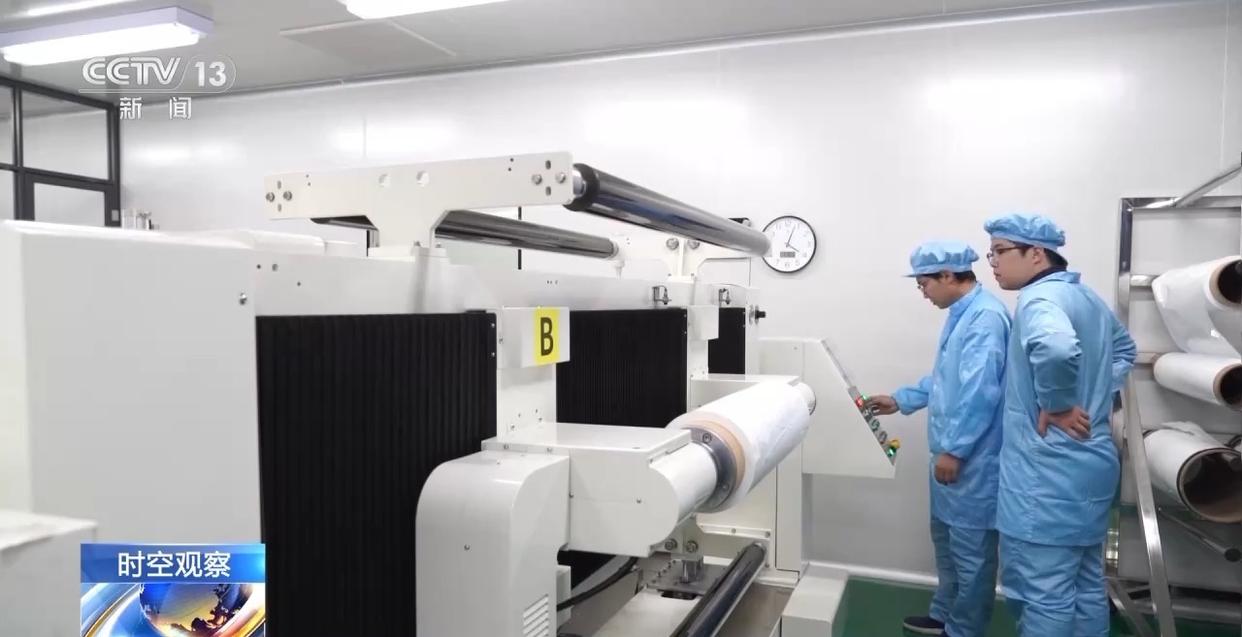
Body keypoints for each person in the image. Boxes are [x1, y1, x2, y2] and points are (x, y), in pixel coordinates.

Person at [983, 213, 1136, 637]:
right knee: (1085, 584)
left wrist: (1061, 403)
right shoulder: (1086, 298)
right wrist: (1095, 393)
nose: (992, 263)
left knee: (1042, 592)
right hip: (1090, 464)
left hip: (1046, 476)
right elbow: (1126, 349)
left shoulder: (1039, 300)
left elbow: (1056, 348)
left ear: (1036, 254)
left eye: (999, 251)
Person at [867, 240, 1010, 637]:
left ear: (948, 276)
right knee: (948, 546)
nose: (923, 293)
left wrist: (956, 450)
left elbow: (980, 391)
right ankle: (945, 615)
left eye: (924, 284)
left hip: (972, 462)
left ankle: (964, 630)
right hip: (951, 457)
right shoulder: (961, 314)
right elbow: (947, 381)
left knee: (972, 555)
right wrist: (901, 399)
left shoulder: (984, 318)